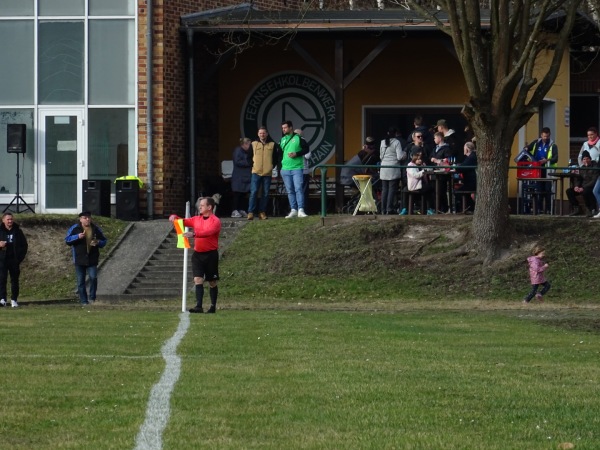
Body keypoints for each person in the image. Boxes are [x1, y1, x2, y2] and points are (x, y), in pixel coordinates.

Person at [169, 197, 221, 313]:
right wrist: (174, 217)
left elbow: (208, 232)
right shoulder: (196, 219)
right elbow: (183, 221)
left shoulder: (215, 221)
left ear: (209, 207)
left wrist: (194, 234)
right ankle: (199, 306)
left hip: (211, 254)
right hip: (198, 254)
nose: (200, 207)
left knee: (212, 281)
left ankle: (212, 306)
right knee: (198, 279)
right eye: (200, 205)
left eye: (202, 205)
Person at [65, 211, 107, 305]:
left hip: (92, 258)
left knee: (93, 278)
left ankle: (92, 298)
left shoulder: (95, 228)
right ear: (80, 219)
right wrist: (77, 236)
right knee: (80, 281)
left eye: (89, 217)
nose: (87, 219)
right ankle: (84, 301)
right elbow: (67, 240)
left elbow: (104, 241)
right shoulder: (75, 228)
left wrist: (98, 242)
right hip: (79, 259)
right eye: (85, 218)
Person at [248, 126, 281, 221]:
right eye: (260, 133)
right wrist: (252, 165)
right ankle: (250, 212)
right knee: (254, 192)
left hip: (267, 173)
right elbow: (249, 157)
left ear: (267, 134)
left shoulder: (272, 144)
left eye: (264, 133)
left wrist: (271, 166)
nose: (262, 135)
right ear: (258, 134)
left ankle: (262, 212)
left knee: (265, 193)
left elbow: (275, 157)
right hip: (256, 172)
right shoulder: (253, 144)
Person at [525, 127, 559, 214]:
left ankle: (548, 209)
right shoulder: (536, 143)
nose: (546, 138)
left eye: (547, 136)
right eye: (544, 136)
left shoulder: (553, 145)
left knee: (547, 190)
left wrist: (546, 160)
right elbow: (527, 149)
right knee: (539, 189)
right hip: (537, 169)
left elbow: (555, 158)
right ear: (541, 135)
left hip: (548, 170)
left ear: (549, 135)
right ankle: (538, 209)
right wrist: (526, 148)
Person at [280, 120, 310, 218]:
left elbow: (307, 149)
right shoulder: (282, 139)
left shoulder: (299, 138)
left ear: (290, 128)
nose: (283, 129)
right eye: (282, 128)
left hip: (297, 167)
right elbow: (279, 153)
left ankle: (301, 209)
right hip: (285, 168)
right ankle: (293, 209)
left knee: (298, 189)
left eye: (285, 128)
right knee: (290, 190)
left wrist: (296, 154)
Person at [0, 213, 28, 308]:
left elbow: (24, 245)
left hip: (14, 260)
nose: (10, 221)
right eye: (8, 219)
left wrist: (19, 258)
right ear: (3, 220)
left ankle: (14, 300)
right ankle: (2, 299)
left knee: (14, 280)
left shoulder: (18, 231)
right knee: (2, 279)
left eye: (11, 219)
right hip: (2, 260)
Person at [379, 127, 406, 214]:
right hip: (393, 168)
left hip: (384, 168)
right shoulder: (396, 142)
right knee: (391, 190)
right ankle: (389, 209)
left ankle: (383, 209)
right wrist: (404, 154)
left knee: (384, 190)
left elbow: (380, 157)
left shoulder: (382, 142)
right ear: (395, 133)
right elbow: (399, 157)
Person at [567, 150, 598, 216]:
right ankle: (577, 208)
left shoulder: (595, 167)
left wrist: (583, 187)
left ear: (590, 159)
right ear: (582, 160)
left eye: (587, 159)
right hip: (582, 187)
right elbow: (578, 179)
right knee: (569, 191)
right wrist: (576, 186)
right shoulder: (582, 168)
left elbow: (594, 180)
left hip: (591, 187)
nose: (586, 160)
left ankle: (591, 209)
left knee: (586, 192)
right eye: (584, 159)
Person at [430, 131, 453, 212]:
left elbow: (448, 160)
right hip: (434, 173)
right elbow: (431, 157)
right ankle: (436, 208)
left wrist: (438, 160)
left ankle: (443, 209)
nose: (434, 140)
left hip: (442, 174)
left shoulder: (447, 149)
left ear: (439, 138)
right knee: (434, 191)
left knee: (441, 191)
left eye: (435, 138)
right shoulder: (435, 148)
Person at [230, 138, 253, 218]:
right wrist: (249, 163)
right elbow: (237, 161)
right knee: (237, 193)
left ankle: (241, 209)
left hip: (246, 176)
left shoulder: (248, 152)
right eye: (249, 145)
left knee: (244, 194)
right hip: (239, 176)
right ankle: (234, 210)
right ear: (244, 144)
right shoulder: (238, 150)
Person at [454, 141, 478, 213]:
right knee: (463, 191)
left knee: (457, 192)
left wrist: (456, 167)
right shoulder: (472, 156)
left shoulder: (471, 157)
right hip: (470, 182)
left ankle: (464, 209)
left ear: (467, 149)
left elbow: (462, 167)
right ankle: (469, 208)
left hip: (472, 183)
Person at [294, 129, 312, 199]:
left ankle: (294, 208)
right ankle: (303, 208)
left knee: (295, 190)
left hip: (293, 170)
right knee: (303, 191)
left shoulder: (291, 143)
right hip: (303, 170)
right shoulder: (304, 142)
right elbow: (307, 156)